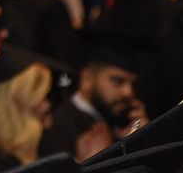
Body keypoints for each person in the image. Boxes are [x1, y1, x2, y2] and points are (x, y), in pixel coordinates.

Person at [38, 33, 149, 162]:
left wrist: (139, 140)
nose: (128, 92)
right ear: (87, 79)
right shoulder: (59, 128)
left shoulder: (117, 124)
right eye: (117, 81)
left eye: (133, 84)